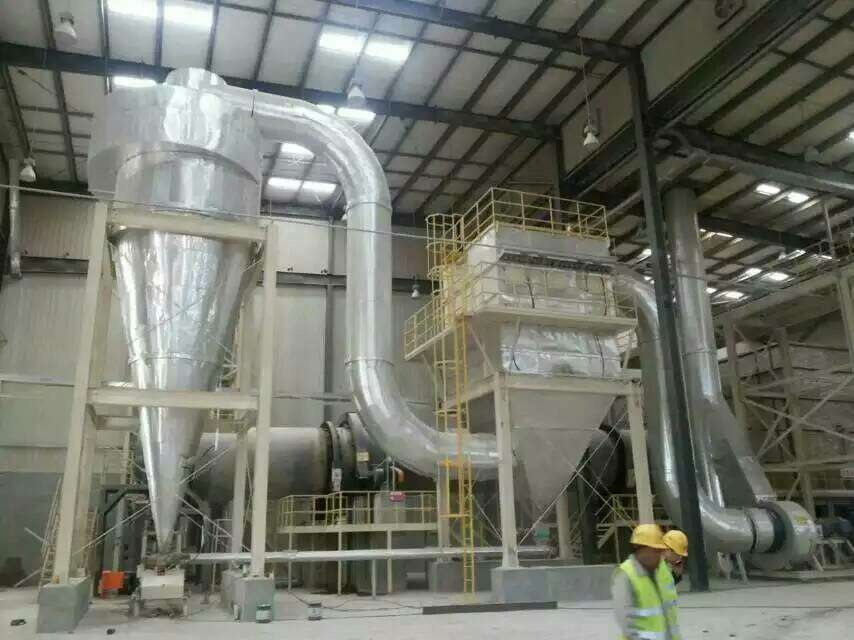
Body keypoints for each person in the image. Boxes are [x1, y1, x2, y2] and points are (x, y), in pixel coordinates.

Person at [612, 524, 681, 640]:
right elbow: (626, 621)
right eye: (656, 551)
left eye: (660, 551)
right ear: (641, 550)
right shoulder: (625, 574)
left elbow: (668, 615)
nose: (660, 555)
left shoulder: (660, 571)